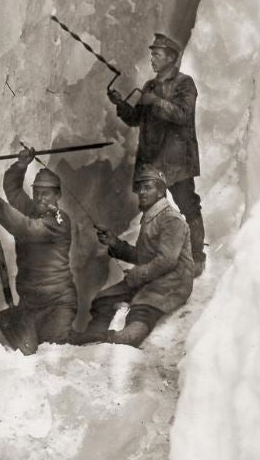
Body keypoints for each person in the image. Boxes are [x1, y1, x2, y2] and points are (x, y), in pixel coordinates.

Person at [108, 32, 206, 275]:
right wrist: (121, 104)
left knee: (188, 206)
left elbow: (183, 115)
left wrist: (156, 102)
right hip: (152, 162)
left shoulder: (185, 83)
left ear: (171, 58)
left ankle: (196, 259)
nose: (152, 58)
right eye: (152, 53)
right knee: (150, 211)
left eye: (157, 54)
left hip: (176, 162)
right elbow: (136, 120)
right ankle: (151, 261)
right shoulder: (150, 86)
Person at [72, 165, 194, 348]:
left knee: (142, 309)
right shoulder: (152, 216)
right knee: (103, 299)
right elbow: (143, 255)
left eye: (148, 188)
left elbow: (167, 260)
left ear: (161, 191)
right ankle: (93, 337)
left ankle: (122, 339)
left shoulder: (171, 219)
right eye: (140, 188)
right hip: (152, 277)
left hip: (171, 283)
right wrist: (115, 244)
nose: (142, 192)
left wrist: (137, 275)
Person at [0, 147, 77, 355]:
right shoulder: (34, 210)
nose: (41, 198)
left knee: (54, 352)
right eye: (37, 192)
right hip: (30, 304)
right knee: (28, 355)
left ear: (58, 194)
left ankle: (106, 339)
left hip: (57, 304)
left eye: (47, 193)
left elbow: (25, 228)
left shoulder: (59, 221)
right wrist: (21, 164)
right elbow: (13, 190)